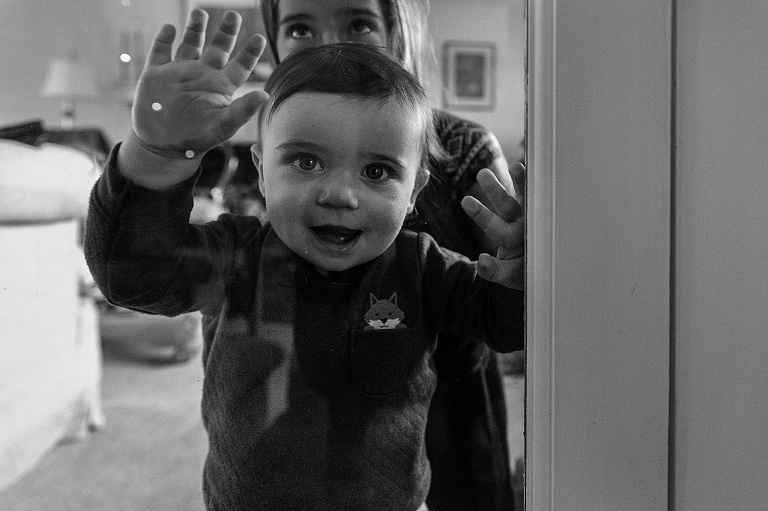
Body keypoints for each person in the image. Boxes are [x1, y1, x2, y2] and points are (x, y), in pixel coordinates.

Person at [84, 12, 524, 511]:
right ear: (262, 173)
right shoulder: (235, 258)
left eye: (377, 171)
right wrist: (156, 156)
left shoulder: (422, 267)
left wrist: (515, 276)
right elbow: (132, 275)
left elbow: (504, 325)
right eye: (305, 161)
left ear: (414, 192)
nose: (339, 194)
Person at [258, 1, 524, 509]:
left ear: (398, 33)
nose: (330, 44)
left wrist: (518, 271)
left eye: (358, 23)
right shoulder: (280, 150)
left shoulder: (464, 145)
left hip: (451, 408)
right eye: (299, 27)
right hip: (319, 410)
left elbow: (508, 294)